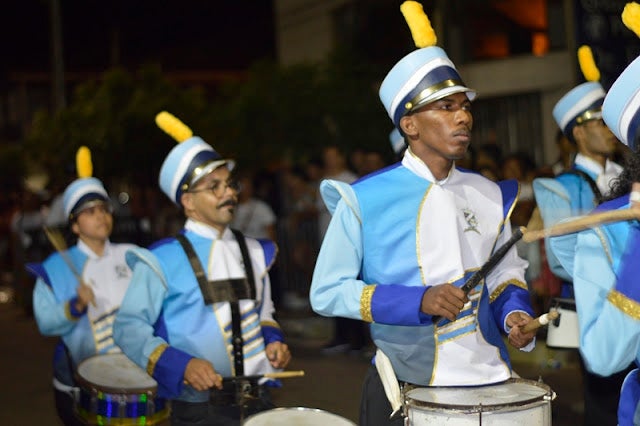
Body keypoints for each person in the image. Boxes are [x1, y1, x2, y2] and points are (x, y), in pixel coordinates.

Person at [309, 2, 536, 425]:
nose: (463, 116)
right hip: (406, 382)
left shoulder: (488, 192)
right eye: (445, 107)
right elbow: (326, 291)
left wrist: (514, 315)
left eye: (464, 105)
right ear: (409, 125)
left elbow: (506, 273)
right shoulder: (364, 198)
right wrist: (419, 300)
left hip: (491, 377)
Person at [113, 111, 291, 425]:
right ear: (188, 201)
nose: (229, 193)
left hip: (258, 399)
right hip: (198, 409)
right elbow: (128, 327)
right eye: (214, 187)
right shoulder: (161, 259)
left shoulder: (253, 250)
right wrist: (180, 365)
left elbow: (263, 313)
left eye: (230, 184)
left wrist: (273, 341)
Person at [532, 45, 629, 426]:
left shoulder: (627, 175)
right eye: (599, 123)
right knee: (605, 402)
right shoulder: (559, 188)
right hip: (598, 309)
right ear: (577, 131)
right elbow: (561, 259)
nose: (609, 131)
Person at [26, 147, 141, 426]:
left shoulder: (133, 255)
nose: (101, 216)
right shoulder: (57, 267)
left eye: (104, 209)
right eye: (90, 212)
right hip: (81, 381)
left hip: (133, 376)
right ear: (75, 226)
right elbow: (45, 322)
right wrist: (75, 306)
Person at [230, 171, 277, 241]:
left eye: (248, 186)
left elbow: (271, 232)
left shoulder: (261, 207)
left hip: (258, 246)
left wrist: (272, 246)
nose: (245, 189)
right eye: (242, 186)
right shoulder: (231, 208)